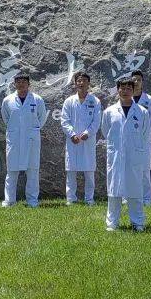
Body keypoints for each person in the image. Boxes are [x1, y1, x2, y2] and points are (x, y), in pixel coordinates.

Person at [99, 77, 151, 231]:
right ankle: (112, 223)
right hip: (116, 156)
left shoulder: (142, 112)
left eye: (129, 88)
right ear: (118, 90)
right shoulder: (109, 112)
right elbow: (105, 131)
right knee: (114, 190)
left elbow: (145, 133)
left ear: (133, 90)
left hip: (134, 156)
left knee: (135, 190)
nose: (126, 90)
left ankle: (138, 222)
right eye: (122, 88)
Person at [0, 71, 47, 207]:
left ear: (28, 84)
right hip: (14, 140)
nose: (21, 85)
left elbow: (42, 118)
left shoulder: (37, 99)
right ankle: (9, 201)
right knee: (11, 171)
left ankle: (32, 201)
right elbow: (6, 118)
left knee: (32, 171)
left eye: (23, 82)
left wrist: (33, 130)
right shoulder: (7, 100)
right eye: (18, 82)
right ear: (14, 84)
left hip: (31, 139)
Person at [61, 71, 101, 205]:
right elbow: (64, 120)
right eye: (79, 80)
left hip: (87, 140)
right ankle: (71, 199)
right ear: (75, 83)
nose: (81, 83)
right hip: (72, 140)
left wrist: (87, 133)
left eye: (84, 80)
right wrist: (72, 134)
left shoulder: (95, 101)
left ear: (88, 83)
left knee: (89, 171)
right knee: (71, 171)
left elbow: (96, 121)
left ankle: (89, 199)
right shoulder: (69, 101)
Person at [130, 69, 151, 205]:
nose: (136, 82)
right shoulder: (126, 99)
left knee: (145, 169)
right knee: (129, 168)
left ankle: (146, 198)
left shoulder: (149, 100)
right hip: (129, 140)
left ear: (142, 82)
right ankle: (127, 195)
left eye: (139, 80)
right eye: (134, 80)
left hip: (144, 139)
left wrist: (143, 136)